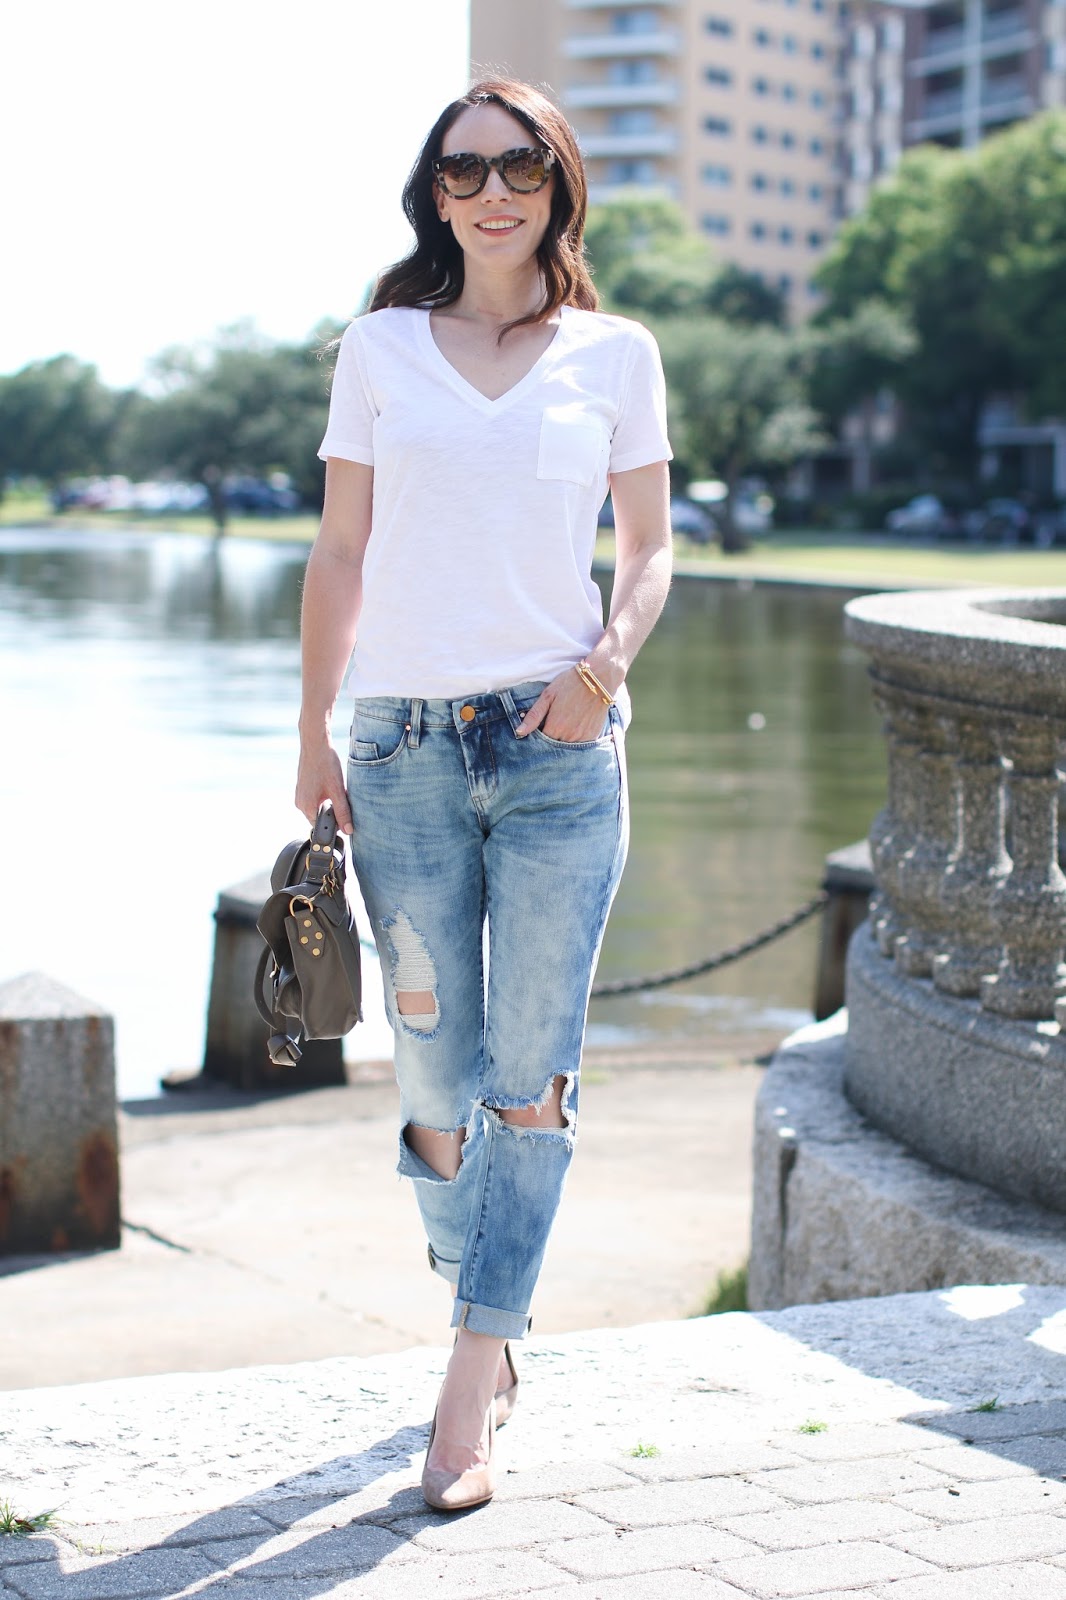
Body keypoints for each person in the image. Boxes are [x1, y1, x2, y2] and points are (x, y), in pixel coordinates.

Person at [296, 76, 672, 1512]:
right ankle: (486, 1300)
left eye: (519, 165)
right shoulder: (381, 348)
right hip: (396, 747)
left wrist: (602, 667)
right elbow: (339, 553)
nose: (492, 190)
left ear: (557, 182)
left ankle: (470, 1370)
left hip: (560, 749)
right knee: (437, 1078)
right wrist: (313, 735)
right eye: (463, 173)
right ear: (434, 196)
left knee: (532, 1074)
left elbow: (645, 548)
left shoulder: (614, 353)